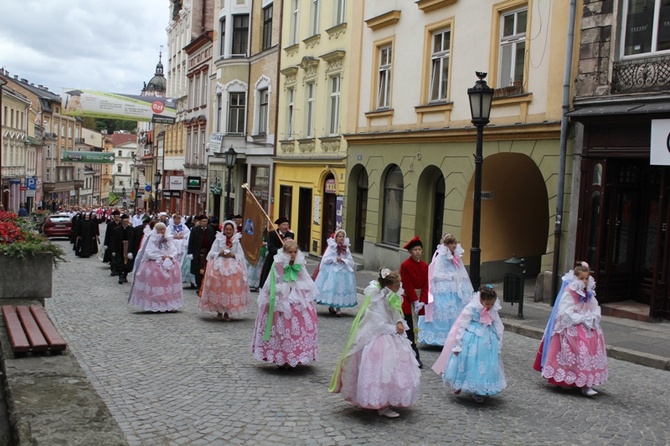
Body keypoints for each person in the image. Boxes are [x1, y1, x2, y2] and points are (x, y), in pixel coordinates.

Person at [329, 269, 421, 418]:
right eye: (397, 285)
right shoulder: (377, 300)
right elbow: (377, 323)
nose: (399, 287)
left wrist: (399, 322)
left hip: (393, 334)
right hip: (380, 336)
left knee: (398, 367)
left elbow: (396, 313)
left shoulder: (393, 297)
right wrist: (394, 328)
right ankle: (380, 402)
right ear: (389, 286)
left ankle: (391, 397)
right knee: (381, 368)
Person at [533, 262, 608, 397]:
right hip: (573, 324)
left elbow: (594, 305)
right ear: (576, 278)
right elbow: (564, 311)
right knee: (574, 352)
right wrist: (579, 318)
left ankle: (587, 383)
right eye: (581, 278)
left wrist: (592, 316)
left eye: (586, 278)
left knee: (590, 351)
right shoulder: (570, 291)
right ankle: (566, 379)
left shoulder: (589, 291)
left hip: (587, 323)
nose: (584, 281)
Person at [431, 285, 506, 403]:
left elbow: (498, 325)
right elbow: (462, 325)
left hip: (487, 340)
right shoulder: (472, 308)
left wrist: (499, 342)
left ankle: (478, 389)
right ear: (481, 300)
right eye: (487, 304)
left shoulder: (493, 310)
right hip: (471, 338)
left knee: (483, 364)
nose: (489, 307)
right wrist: (458, 344)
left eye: (491, 304)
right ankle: (458, 383)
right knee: (465, 362)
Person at [252, 239, 319, 367]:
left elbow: (305, 279)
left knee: (300, 322)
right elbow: (273, 280)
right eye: (290, 252)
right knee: (280, 327)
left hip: (297, 295)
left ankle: (297, 353)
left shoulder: (300, 263)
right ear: (285, 252)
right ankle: (281, 356)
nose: (293, 255)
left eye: (295, 252)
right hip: (281, 296)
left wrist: (301, 289)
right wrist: (278, 291)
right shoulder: (278, 263)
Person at [418, 234, 473, 346]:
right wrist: (451, 276)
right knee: (443, 310)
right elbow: (437, 274)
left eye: (454, 243)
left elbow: (461, 271)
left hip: (456, 289)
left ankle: (455, 336)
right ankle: (440, 337)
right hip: (443, 288)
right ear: (446, 245)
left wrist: (460, 279)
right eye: (451, 243)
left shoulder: (456, 256)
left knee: (455, 310)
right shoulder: (441, 257)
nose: (454, 245)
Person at [199, 220, 252, 320]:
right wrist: (219, 253)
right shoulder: (219, 239)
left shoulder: (236, 240)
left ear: (233, 230)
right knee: (219, 289)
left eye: (230, 229)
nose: (228, 231)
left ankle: (227, 311)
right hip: (219, 265)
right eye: (226, 229)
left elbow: (241, 255)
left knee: (230, 290)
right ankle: (219, 311)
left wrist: (233, 255)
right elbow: (210, 254)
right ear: (223, 230)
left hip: (232, 265)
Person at [128, 222, 183, 312]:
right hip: (154, 262)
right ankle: (153, 304)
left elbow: (173, 250)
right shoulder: (151, 239)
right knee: (155, 282)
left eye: (163, 229)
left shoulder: (168, 239)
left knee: (169, 283)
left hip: (168, 262)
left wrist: (169, 256)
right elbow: (148, 252)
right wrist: (161, 257)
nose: (162, 231)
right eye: (159, 230)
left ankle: (169, 304)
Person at [399, 235, 429, 368]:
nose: (417, 252)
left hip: (419, 301)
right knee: (410, 328)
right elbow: (407, 284)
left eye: (419, 249)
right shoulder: (405, 265)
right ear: (410, 252)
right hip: (409, 301)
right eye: (415, 249)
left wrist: (422, 301)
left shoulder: (424, 265)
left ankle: (413, 353)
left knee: (417, 329)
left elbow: (427, 284)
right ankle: (414, 354)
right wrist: (415, 300)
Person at [314, 229, 357, 317]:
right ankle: (332, 306)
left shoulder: (346, 247)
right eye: (339, 236)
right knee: (332, 287)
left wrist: (343, 260)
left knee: (340, 288)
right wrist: (334, 259)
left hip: (343, 269)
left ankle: (338, 307)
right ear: (336, 238)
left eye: (342, 236)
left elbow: (350, 260)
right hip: (332, 269)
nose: (341, 238)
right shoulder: (331, 247)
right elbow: (325, 259)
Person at [258, 217, 294, 288]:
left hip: (285, 259)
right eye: (283, 225)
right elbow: (270, 248)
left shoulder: (290, 234)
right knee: (269, 274)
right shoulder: (272, 234)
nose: (286, 227)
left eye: (287, 225)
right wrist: (281, 251)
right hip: (273, 258)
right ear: (279, 226)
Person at [187, 215, 216, 290]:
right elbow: (191, 241)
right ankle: (199, 285)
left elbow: (213, 240)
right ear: (199, 222)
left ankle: (207, 284)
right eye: (203, 221)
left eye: (206, 221)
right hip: (197, 252)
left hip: (208, 252)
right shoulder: (194, 229)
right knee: (198, 269)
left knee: (207, 268)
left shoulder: (210, 229)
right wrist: (190, 252)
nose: (204, 223)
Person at [109, 214, 135, 284]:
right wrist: (113, 250)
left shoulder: (132, 230)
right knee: (120, 262)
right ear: (122, 221)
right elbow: (113, 241)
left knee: (127, 264)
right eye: (124, 221)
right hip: (119, 248)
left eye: (127, 221)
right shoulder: (117, 230)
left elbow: (133, 240)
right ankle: (120, 276)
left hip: (128, 248)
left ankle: (125, 275)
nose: (125, 223)